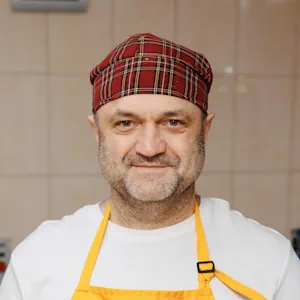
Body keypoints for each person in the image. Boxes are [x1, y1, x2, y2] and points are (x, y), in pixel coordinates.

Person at [0, 33, 300, 300]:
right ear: (97, 132)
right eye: (125, 123)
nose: (150, 147)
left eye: (173, 122)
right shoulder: (39, 258)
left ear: (204, 131)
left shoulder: (269, 259)